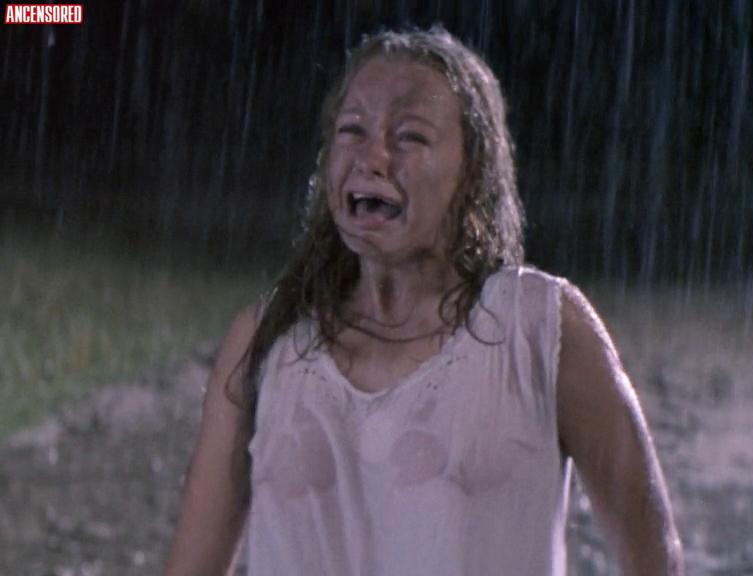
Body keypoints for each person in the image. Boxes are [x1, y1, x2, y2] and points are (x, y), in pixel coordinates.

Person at [164, 27, 683, 576]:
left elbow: (652, 555)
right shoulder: (266, 339)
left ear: (473, 173)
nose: (372, 157)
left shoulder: (543, 330)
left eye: (409, 136)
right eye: (352, 130)